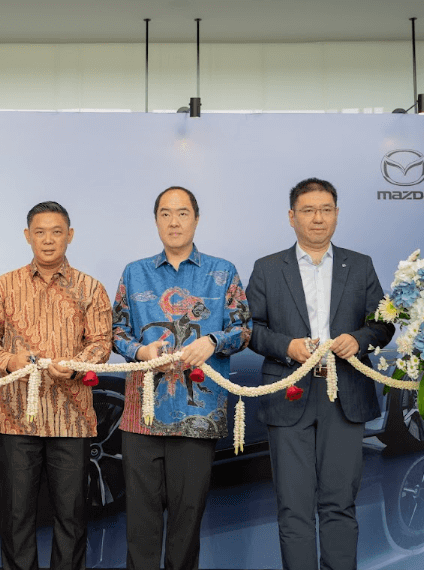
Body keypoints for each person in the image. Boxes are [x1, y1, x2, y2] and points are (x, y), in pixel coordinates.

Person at [246, 177, 395, 570]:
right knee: (293, 508)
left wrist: (359, 339)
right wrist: (287, 347)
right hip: (288, 393)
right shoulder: (267, 268)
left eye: (326, 210)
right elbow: (250, 330)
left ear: (337, 214)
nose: (318, 219)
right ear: (292, 217)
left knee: (340, 504)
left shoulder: (359, 265)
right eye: (309, 211)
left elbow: (384, 324)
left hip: (344, 394)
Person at [112, 186, 252, 570]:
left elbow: (244, 328)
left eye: (183, 213)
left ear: (196, 218)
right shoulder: (135, 272)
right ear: (156, 219)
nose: (174, 222)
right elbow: (117, 333)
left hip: (199, 415)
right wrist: (140, 352)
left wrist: (213, 340)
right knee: (140, 525)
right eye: (166, 214)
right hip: (143, 417)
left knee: (187, 524)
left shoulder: (222, 272)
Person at [0, 201, 111, 570]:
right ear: (27, 236)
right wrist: (9, 361)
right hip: (16, 417)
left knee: (71, 514)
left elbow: (102, 341)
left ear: (70, 235)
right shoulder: (5, 286)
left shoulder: (90, 287)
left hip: (73, 417)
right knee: (17, 515)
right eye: (40, 232)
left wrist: (78, 365)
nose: (48, 240)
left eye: (56, 232)